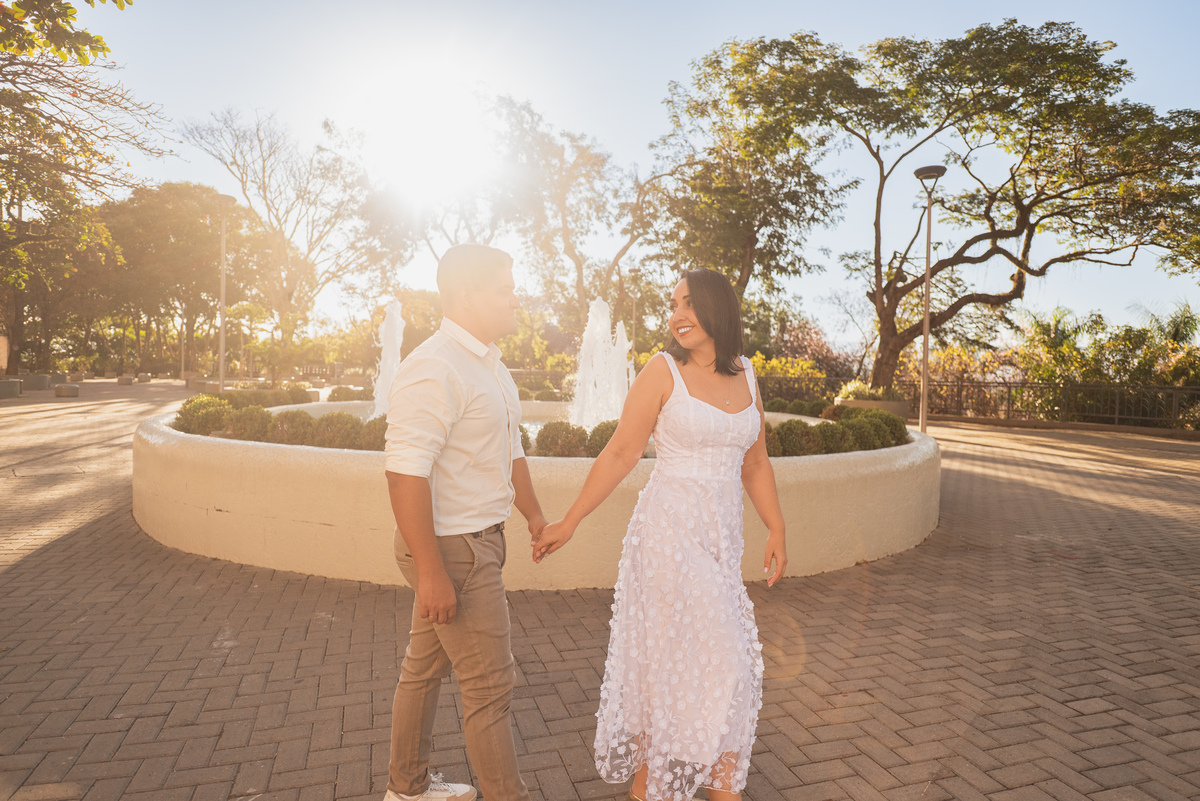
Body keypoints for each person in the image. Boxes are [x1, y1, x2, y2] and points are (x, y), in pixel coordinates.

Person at [533, 268, 788, 801]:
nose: (678, 314)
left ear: (719, 310)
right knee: (727, 665)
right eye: (674, 304)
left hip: (721, 543)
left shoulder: (747, 375)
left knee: (688, 674)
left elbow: (756, 463)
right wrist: (571, 519)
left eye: (690, 303)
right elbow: (622, 452)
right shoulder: (661, 370)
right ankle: (705, 790)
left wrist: (776, 527)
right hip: (667, 535)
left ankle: (687, 788)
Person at [383, 244, 547, 801]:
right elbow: (405, 475)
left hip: (475, 544)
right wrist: (432, 572)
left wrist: (534, 516)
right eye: (505, 288)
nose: (515, 298)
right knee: (489, 690)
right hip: (453, 550)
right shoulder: (434, 365)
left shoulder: (490, 365)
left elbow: (511, 448)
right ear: (465, 295)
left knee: (423, 670)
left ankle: (405, 790)